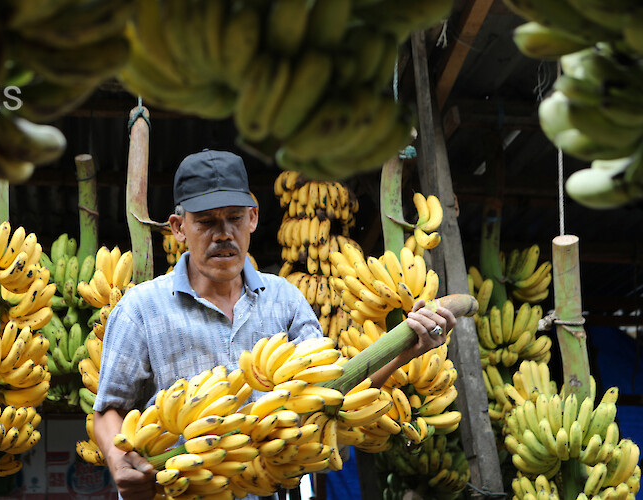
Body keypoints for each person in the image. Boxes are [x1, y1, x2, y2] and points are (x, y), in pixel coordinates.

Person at [92, 150, 457, 500]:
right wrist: (117, 460)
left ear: (252, 218)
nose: (223, 234)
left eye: (234, 218)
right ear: (178, 227)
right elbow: (108, 409)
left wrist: (403, 352)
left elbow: (331, 392)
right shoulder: (141, 308)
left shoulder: (285, 299)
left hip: (271, 487)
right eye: (205, 222)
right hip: (178, 491)